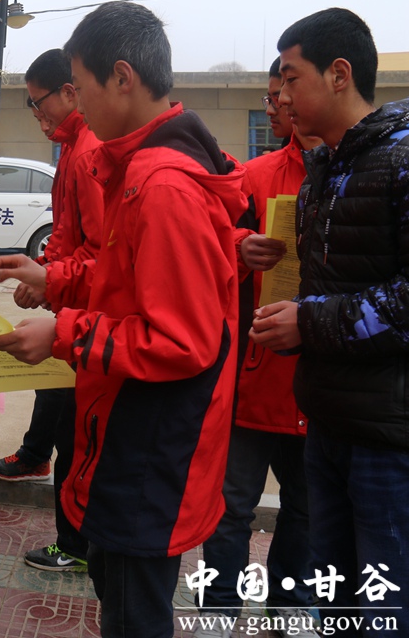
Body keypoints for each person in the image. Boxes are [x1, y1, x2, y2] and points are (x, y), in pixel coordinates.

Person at [0, 1, 246, 638]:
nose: (74, 102)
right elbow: (124, 276)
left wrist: (63, 332)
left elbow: (180, 340)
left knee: (133, 610)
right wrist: (55, 279)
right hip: (130, 427)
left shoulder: (162, 186)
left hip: (149, 440)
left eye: (80, 85)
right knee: (120, 592)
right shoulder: (140, 169)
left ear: (122, 78)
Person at [251, 8, 409, 635]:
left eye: (291, 79)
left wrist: (309, 323)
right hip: (327, 420)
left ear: (339, 74)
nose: (282, 96)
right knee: (335, 595)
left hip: (388, 438)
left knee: (384, 607)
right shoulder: (325, 171)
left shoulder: (401, 159)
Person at [193, 57, 323, 638]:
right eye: (272, 94)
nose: (277, 105)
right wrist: (241, 243)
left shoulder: (352, 175)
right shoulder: (256, 175)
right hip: (253, 378)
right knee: (229, 509)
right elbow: (210, 236)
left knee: (306, 512)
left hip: (318, 388)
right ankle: (217, 613)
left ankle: (288, 610)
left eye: (285, 91)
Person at [0, 49, 103, 574]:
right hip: (70, 307)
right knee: (56, 399)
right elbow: (71, 236)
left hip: (87, 319)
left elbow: (102, 254)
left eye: (38, 103)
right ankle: (35, 458)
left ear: (70, 92)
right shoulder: (72, 147)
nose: (36, 114)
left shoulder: (90, 150)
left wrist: (50, 279)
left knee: (77, 435)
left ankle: (74, 544)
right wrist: (44, 273)